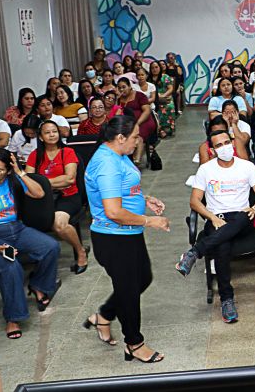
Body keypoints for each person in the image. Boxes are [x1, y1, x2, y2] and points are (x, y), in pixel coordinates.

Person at [84, 116, 170, 361]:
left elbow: (123, 189)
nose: (138, 141)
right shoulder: (106, 164)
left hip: (129, 233)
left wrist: (145, 198)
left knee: (142, 278)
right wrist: (150, 221)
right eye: (134, 137)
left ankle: (104, 315)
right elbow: (113, 212)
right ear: (120, 138)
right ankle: (134, 343)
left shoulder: (118, 155)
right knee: (128, 290)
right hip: (114, 238)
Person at [176, 129, 255, 321]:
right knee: (222, 245)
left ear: (233, 143)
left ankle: (194, 252)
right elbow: (194, 201)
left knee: (242, 216)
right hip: (216, 218)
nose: (225, 147)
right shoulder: (206, 170)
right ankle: (227, 300)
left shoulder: (246, 166)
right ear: (212, 150)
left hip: (242, 217)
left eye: (227, 142)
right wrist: (212, 217)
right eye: (219, 145)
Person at [0, 149, 59, 339]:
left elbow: (39, 193)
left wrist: (20, 172)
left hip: (16, 229)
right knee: (10, 266)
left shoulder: (14, 180)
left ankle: (38, 285)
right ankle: (13, 318)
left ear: (8, 170)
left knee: (50, 246)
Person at [25, 121, 88, 274]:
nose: (52, 135)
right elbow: (27, 181)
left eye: (55, 131)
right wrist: (53, 183)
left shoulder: (67, 152)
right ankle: (41, 260)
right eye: (47, 132)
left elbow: (69, 179)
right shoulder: (35, 155)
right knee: (26, 222)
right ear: (40, 137)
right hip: (42, 198)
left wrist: (42, 183)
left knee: (58, 224)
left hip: (68, 196)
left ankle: (80, 251)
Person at [116, 79, 157, 165]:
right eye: (119, 88)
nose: (122, 90)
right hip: (128, 124)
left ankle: (137, 160)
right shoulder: (119, 99)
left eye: (124, 87)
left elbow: (147, 110)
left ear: (130, 86)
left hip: (144, 121)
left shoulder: (139, 95)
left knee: (138, 135)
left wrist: (137, 123)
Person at [147, 61, 176, 137]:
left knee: (170, 107)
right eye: (152, 68)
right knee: (155, 109)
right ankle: (160, 130)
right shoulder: (148, 79)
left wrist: (163, 95)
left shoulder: (165, 77)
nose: (154, 69)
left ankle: (170, 128)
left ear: (159, 68)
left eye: (156, 67)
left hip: (165, 97)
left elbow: (170, 89)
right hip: (153, 99)